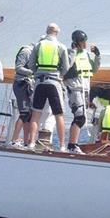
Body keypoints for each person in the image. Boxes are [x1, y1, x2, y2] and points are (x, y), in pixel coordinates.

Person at [28, 23, 71, 151]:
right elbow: (66, 67)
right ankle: (63, 146)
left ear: (46, 31)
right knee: (59, 114)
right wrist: (60, 75)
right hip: (54, 82)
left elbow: (31, 64)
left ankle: (31, 143)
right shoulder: (60, 46)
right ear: (57, 33)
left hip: (40, 82)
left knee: (36, 113)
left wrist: (37, 72)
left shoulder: (38, 45)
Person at [63, 29, 101, 154]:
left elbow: (94, 69)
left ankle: (73, 144)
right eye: (83, 41)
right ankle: (72, 145)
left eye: (85, 41)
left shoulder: (86, 55)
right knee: (79, 117)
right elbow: (65, 68)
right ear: (77, 42)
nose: (85, 43)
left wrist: (97, 56)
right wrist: (73, 51)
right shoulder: (70, 53)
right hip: (75, 88)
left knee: (82, 118)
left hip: (85, 89)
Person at [9, 42, 35, 148]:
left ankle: (25, 141)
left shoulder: (34, 54)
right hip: (21, 84)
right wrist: (33, 72)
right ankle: (14, 140)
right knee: (24, 113)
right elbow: (18, 67)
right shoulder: (26, 51)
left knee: (29, 114)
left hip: (29, 85)